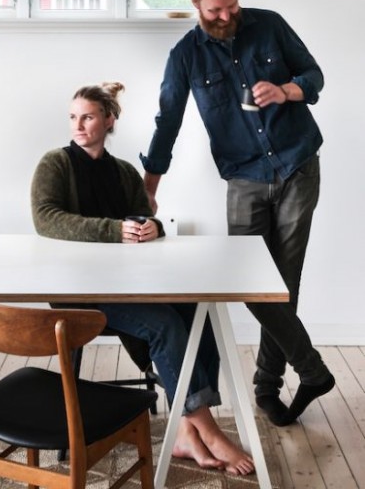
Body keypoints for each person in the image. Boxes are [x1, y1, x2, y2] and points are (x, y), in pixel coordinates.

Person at [140, 0, 335, 427]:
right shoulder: (185, 56)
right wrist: (149, 188)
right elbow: (168, 122)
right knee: (251, 285)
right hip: (244, 177)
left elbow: (314, 76)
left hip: (297, 164)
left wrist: (286, 90)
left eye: (231, 6)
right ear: (196, 4)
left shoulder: (269, 26)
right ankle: (313, 371)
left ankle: (266, 387)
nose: (226, 16)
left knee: (283, 286)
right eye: (215, 10)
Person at [31, 81, 255, 476]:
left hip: (129, 284)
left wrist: (155, 227)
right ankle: (208, 429)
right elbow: (46, 219)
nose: (78, 125)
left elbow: (143, 218)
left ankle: (185, 430)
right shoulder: (55, 164)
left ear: (108, 120)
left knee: (196, 310)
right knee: (164, 324)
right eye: (73, 117)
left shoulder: (124, 172)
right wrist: (114, 230)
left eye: (87, 117)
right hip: (81, 291)